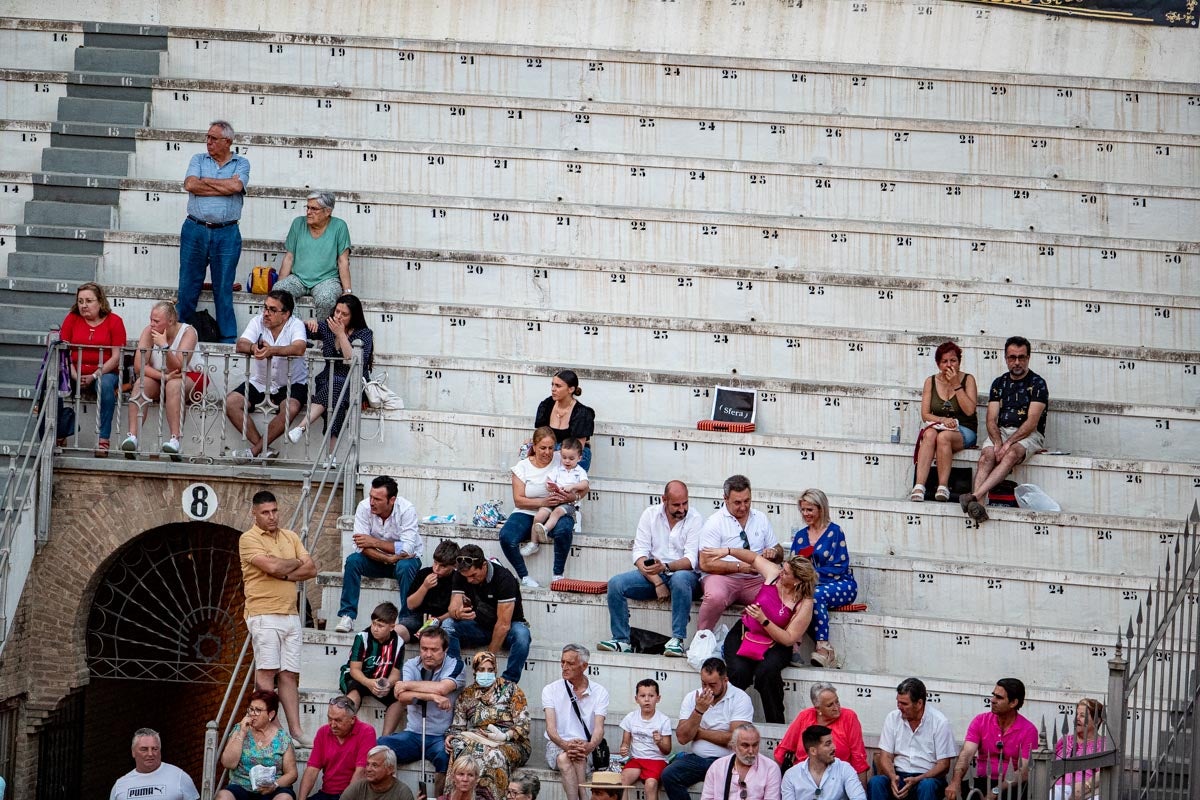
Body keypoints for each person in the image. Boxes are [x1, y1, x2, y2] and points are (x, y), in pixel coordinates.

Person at [239, 490, 317, 747]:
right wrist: (292, 563)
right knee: (267, 674)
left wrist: (284, 570)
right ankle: (275, 728)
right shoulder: (248, 539)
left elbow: (311, 568)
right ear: (254, 513)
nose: (272, 517)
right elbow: (271, 567)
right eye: (265, 512)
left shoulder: (291, 536)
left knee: (289, 675)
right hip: (263, 613)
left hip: (290, 613)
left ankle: (295, 731)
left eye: (274, 511)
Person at [599, 480, 703, 658]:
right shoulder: (650, 514)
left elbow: (691, 560)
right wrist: (657, 581)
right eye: (676, 505)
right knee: (616, 584)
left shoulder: (695, 518)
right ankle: (622, 640)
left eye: (685, 503)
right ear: (664, 500)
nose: (682, 509)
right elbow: (639, 554)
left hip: (685, 578)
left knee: (680, 578)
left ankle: (677, 639)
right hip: (654, 575)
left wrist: (666, 567)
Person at [712, 547, 815, 723]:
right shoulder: (774, 574)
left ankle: (775, 724)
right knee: (738, 671)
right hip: (745, 631)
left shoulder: (804, 603)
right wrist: (727, 551)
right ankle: (722, 720)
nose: (782, 572)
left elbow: (789, 638)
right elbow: (752, 558)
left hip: (777, 643)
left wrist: (764, 620)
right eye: (783, 568)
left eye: (787, 573)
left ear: (797, 581)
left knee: (766, 674)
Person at [960, 336, 1049, 523]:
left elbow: (1032, 422)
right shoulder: (998, 383)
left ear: (1028, 358)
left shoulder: (1038, 384)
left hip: (1029, 434)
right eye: (1012, 357)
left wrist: (1008, 444)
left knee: (1011, 454)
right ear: (1005, 358)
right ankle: (979, 507)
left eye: (1021, 357)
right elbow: (991, 419)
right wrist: (999, 442)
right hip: (1001, 431)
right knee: (986, 457)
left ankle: (975, 496)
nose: (1017, 362)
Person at [177, 119, 249, 344]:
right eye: (207, 137)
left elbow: (237, 187)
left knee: (223, 289)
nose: (208, 142)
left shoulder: (241, 162)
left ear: (227, 141)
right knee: (187, 286)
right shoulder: (198, 159)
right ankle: (179, 336)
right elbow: (190, 185)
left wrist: (205, 182)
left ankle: (227, 340)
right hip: (195, 228)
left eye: (213, 138)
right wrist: (223, 186)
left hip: (226, 233)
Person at [379, 626, 467, 797]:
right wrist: (432, 697)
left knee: (445, 756)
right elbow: (402, 698)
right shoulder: (411, 664)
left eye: (434, 650)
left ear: (445, 649)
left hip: (440, 735)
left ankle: (437, 797)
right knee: (382, 747)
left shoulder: (456, 665)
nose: (428, 654)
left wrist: (406, 685)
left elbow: (442, 688)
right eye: (424, 649)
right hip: (413, 733)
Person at [288, 293, 374, 467]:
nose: (339, 317)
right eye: (337, 312)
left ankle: (302, 427)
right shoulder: (327, 327)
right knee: (335, 394)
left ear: (354, 316)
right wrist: (307, 323)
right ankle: (330, 456)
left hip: (354, 382)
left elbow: (353, 362)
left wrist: (341, 334)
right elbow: (296, 329)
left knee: (337, 387)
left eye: (344, 314)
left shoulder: (364, 334)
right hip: (328, 381)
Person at [226, 288, 309, 463]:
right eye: (265, 308)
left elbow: (299, 347)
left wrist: (272, 351)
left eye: (272, 310)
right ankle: (264, 450)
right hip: (261, 381)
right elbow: (241, 344)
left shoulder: (295, 324)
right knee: (231, 403)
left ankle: (253, 452)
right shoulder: (257, 321)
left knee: (291, 408)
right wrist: (253, 348)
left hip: (291, 382)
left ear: (285, 315)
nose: (266, 313)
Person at [335, 476, 422, 633]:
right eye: (371, 497)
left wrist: (374, 542)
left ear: (392, 500)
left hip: (403, 562)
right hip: (379, 560)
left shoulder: (406, 509)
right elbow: (360, 545)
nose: (372, 502)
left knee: (406, 565)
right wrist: (388, 557)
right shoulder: (363, 507)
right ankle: (347, 615)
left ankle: (406, 620)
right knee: (353, 561)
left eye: (377, 499)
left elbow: (408, 548)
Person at [697, 475, 783, 632]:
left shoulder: (760, 518)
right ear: (725, 499)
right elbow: (705, 563)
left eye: (747, 501)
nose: (743, 507)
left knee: (783, 595)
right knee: (715, 596)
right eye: (737, 502)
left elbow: (779, 552)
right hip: (722, 578)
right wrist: (739, 567)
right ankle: (701, 639)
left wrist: (774, 553)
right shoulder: (714, 522)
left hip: (755, 579)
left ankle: (788, 648)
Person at [660, 657, 755, 800]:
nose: (707, 689)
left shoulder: (740, 698)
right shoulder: (693, 697)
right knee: (669, 775)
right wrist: (698, 711)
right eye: (704, 684)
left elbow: (736, 740)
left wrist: (700, 733)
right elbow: (682, 737)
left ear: (725, 680)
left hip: (728, 760)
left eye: (712, 684)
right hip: (697, 758)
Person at [120, 301, 205, 460]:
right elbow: (139, 366)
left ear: (171, 321)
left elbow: (180, 367)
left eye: (156, 321)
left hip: (189, 376)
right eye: (151, 320)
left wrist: (165, 347)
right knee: (140, 383)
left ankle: (175, 440)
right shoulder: (148, 331)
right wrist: (163, 376)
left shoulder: (189, 332)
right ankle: (133, 437)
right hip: (161, 375)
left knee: (174, 385)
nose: (152, 324)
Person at [499, 427, 579, 587]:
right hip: (527, 511)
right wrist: (543, 502)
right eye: (543, 448)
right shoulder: (522, 466)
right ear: (534, 447)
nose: (547, 452)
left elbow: (583, 486)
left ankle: (558, 575)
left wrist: (572, 497)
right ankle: (525, 577)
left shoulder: (561, 459)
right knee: (506, 536)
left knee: (564, 530)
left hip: (557, 509)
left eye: (551, 448)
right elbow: (519, 500)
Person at [446, 651, 532, 797]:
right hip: (478, 739)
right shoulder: (467, 695)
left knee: (492, 755)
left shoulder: (511, 690)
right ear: (475, 671)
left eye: (490, 670)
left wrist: (504, 736)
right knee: (460, 748)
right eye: (481, 670)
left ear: (496, 670)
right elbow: (457, 726)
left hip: (511, 742)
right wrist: (451, 736)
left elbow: (523, 725)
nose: (486, 673)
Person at [787, 489, 857, 669]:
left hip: (839, 583)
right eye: (803, 510)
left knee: (814, 595)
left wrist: (810, 577)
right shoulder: (801, 536)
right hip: (807, 585)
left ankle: (823, 648)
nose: (805, 514)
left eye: (810, 509)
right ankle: (793, 646)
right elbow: (793, 564)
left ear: (821, 508)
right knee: (796, 595)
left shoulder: (835, 532)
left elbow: (840, 566)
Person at [58, 282, 126, 456]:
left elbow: (116, 356)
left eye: (88, 300)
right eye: (80, 301)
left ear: (100, 302)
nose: (83, 305)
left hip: (105, 371)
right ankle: (60, 432)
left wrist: (95, 375)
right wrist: (74, 373)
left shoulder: (115, 321)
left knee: (105, 386)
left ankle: (103, 440)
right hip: (74, 369)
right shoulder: (72, 318)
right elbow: (63, 350)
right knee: (54, 382)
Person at [446, 545, 532, 683]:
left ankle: (508, 682)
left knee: (522, 635)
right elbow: (452, 608)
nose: (469, 580)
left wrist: (486, 659)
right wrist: (458, 613)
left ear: (484, 565)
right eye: (466, 577)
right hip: (480, 625)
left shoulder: (504, 578)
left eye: (473, 575)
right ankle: (453, 674)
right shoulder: (460, 574)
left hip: (509, 626)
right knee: (448, 625)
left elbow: (503, 625)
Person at [946, 679, 1038, 800]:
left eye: (999, 697)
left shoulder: (1028, 730)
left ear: (1013, 702)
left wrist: (996, 791)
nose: (992, 700)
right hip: (983, 781)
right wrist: (955, 781)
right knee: (956, 793)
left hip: (1011, 785)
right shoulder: (980, 721)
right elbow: (966, 754)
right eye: (993, 695)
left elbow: (1024, 772)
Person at [867, 678, 956, 800]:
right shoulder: (892, 718)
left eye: (904, 704)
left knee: (927, 786)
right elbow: (885, 756)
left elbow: (944, 765)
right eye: (898, 702)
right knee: (876, 782)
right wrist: (892, 777)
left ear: (919, 704)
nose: (899, 707)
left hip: (927, 778)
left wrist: (918, 779)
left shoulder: (939, 722)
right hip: (899, 776)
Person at [911, 341, 978, 502]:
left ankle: (943, 486)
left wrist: (956, 385)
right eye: (944, 361)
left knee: (944, 437)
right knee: (929, 435)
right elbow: (925, 414)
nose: (949, 365)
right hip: (940, 425)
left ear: (959, 361)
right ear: (938, 364)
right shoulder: (931, 381)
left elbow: (970, 410)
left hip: (964, 429)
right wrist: (942, 419)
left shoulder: (968, 380)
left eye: (953, 360)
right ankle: (919, 486)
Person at [542, 644, 610, 800]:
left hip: (586, 746)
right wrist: (566, 745)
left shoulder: (600, 692)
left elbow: (599, 729)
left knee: (570, 757)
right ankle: (583, 797)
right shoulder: (550, 690)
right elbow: (551, 729)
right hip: (557, 745)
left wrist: (589, 746)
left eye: (570, 663)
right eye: (562, 662)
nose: (564, 667)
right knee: (564, 756)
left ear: (584, 666)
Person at [274, 191, 353, 321]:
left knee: (326, 299)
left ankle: (323, 337)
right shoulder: (298, 223)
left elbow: (343, 261)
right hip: (298, 278)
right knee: (279, 292)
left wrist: (347, 292)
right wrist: (280, 284)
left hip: (327, 279)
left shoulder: (339, 226)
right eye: (308, 207)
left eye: (314, 209)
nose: (308, 212)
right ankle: (299, 333)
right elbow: (289, 258)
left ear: (327, 211)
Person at [775, 684, 869, 784]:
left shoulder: (849, 717)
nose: (836, 707)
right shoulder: (804, 717)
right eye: (830, 705)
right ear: (818, 708)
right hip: (802, 779)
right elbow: (782, 751)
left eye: (837, 701)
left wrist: (861, 792)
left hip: (837, 780)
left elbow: (858, 757)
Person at [217, 690, 298, 800]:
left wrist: (274, 784)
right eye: (251, 709)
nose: (252, 714)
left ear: (271, 714)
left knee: (284, 798)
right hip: (241, 787)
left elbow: (292, 773)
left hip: (272, 789)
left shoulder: (282, 738)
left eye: (258, 710)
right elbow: (228, 763)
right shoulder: (239, 729)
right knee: (223, 796)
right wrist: (242, 733)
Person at [339, 602, 404, 736]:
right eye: (374, 623)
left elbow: (395, 674)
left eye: (380, 626)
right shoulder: (362, 637)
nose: (375, 628)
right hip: (359, 678)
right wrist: (369, 683)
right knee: (354, 692)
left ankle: (385, 738)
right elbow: (354, 670)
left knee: (400, 697)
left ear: (392, 627)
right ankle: (345, 733)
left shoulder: (399, 642)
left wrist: (387, 684)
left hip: (381, 680)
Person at [297, 696, 378, 800]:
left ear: (352, 719)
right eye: (329, 719)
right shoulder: (323, 732)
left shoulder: (366, 732)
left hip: (354, 795)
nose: (333, 725)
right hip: (326, 794)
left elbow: (361, 772)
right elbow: (312, 770)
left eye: (338, 720)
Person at [398, 540, 461, 651]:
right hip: (420, 619)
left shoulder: (457, 579)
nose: (436, 568)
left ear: (454, 566)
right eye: (435, 563)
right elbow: (410, 605)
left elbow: (456, 609)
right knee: (395, 632)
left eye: (443, 566)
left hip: (444, 621)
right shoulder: (424, 574)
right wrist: (424, 587)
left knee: (448, 628)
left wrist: (438, 620)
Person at [618, 679, 672, 800]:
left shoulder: (664, 720)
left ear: (658, 698)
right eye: (642, 696)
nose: (647, 699)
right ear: (636, 699)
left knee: (651, 784)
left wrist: (660, 742)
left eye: (651, 696)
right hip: (637, 759)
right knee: (623, 779)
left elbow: (667, 750)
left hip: (656, 760)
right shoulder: (630, 717)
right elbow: (625, 742)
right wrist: (624, 748)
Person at [110, 728, 199, 800]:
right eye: (144, 749)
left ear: (160, 751)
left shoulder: (179, 777)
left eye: (154, 749)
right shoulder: (120, 785)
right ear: (133, 752)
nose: (150, 754)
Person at [530, 438, 589, 545]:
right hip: (553, 500)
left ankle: (546, 529)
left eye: (571, 458)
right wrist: (550, 487)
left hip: (567, 504)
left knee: (556, 513)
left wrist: (572, 486)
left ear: (579, 458)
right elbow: (549, 481)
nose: (567, 461)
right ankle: (534, 543)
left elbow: (585, 484)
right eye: (564, 457)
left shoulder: (580, 471)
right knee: (538, 516)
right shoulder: (558, 469)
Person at [781, 725, 866, 800]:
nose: (834, 747)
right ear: (813, 751)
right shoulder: (791, 776)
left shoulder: (844, 769)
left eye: (832, 742)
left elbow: (859, 798)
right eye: (828, 744)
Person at [534, 369, 595, 471]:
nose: (553, 389)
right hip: (550, 449)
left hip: (572, 454)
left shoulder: (582, 413)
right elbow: (540, 436)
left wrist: (557, 453)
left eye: (558, 386)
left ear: (570, 389)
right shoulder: (546, 405)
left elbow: (578, 447)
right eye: (552, 385)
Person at [700, 724, 780, 800]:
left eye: (755, 745)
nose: (751, 751)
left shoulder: (770, 768)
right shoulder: (717, 767)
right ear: (734, 746)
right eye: (745, 745)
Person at [1051, 699, 1106, 800]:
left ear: (1097, 721)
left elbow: (1105, 774)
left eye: (1082, 715)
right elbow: (1050, 765)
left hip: (1089, 792)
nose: (1077, 718)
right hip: (1060, 788)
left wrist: (1086, 786)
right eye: (1076, 715)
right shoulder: (1065, 740)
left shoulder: (1104, 745)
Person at [342, 746, 413, 800]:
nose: (368, 769)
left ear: (390, 769)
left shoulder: (402, 792)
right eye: (367, 764)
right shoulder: (358, 788)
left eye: (374, 765)